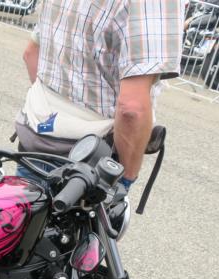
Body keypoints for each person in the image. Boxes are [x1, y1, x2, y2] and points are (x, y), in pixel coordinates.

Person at [17, 1, 183, 191]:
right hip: (91, 159)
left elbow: (31, 54)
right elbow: (132, 108)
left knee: (25, 207)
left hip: (34, 136)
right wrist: (126, 178)